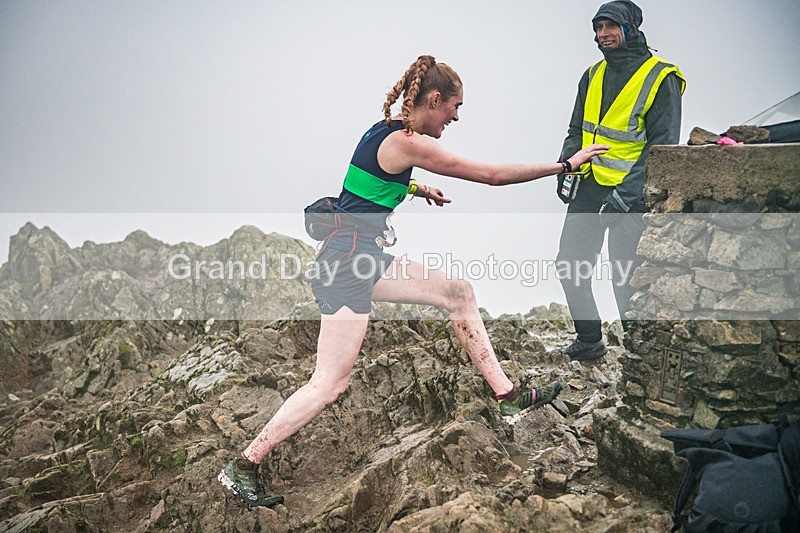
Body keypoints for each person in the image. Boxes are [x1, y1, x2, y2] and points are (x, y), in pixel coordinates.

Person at [218, 54, 610, 508]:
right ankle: (244, 465)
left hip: (358, 257)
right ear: (435, 99)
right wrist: (566, 166)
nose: (457, 117)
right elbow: (491, 176)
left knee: (457, 292)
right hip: (347, 266)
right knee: (329, 383)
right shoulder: (410, 142)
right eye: (455, 107)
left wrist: (417, 190)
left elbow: (365, 183)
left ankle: (508, 396)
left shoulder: (384, 131)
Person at [556, 0, 685, 361]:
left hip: (633, 195)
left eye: (610, 27)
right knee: (570, 265)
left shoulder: (661, 78)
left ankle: (640, 358)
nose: (602, 35)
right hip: (590, 186)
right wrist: (566, 166)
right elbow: (576, 130)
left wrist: (625, 196)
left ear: (630, 29)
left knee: (625, 279)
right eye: (598, 28)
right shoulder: (592, 75)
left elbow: (663, 148)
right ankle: (590, 340)